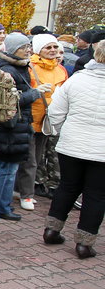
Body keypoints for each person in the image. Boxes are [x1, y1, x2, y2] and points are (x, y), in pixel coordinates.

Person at [41, 42, 105, 258]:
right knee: (96, 195)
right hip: (100, 151)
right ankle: (84, 244)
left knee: (67, 187)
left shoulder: (76, 79)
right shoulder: (77, 78)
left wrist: (58, 131)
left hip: (72, 144)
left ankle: (52, 230)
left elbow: (56, 111)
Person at [0, 33, 40, 222]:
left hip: (16, 124)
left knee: (3, 167)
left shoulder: (16, 67)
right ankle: (1, 206)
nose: (28, 50)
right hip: (12, 125)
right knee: (7, 169)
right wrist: (34, 94)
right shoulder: (9, 70)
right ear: (13, 49)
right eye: (24, 47)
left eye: (29, 46)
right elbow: (11, 101)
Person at [16, 33, 68, 210]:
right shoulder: (30, 67)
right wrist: (36, 91)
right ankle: (27, 195)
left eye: (55, 47)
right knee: (30, 159)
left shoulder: (61, 69)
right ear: (39, 50)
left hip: (48, 120)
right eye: (48, 47)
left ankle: (22, 189)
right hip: (30, 118)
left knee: (37, 157)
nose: (53, 50)